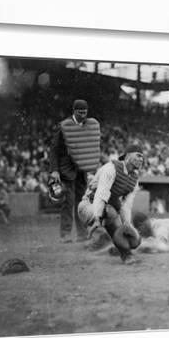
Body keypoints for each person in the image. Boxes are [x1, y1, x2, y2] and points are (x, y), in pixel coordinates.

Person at [77, 144, 145, 262]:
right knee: (111, 213)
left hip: (108, 209)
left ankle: (120, 251)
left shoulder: (134, 180)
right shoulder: (111, 168)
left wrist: (127, 225)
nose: (141, 159)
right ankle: (115, 248)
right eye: (138, 155)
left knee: (124, 231)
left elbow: (126, 207)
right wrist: (97, 218)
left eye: (143, 157)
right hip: (88, 206)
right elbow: (101, 195)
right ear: (128, 156)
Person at [50, 99, 101, 243]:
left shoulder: (87, 126)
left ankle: (82, 234)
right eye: (80, 112)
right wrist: (54, 170)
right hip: (66, 169)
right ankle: (65, 234)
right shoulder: (64, 127)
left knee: (82, 203)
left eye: (85, 112)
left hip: (81, 171)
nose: (83, 115)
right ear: (74, 111)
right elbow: (53, 149)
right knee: (68, 201)